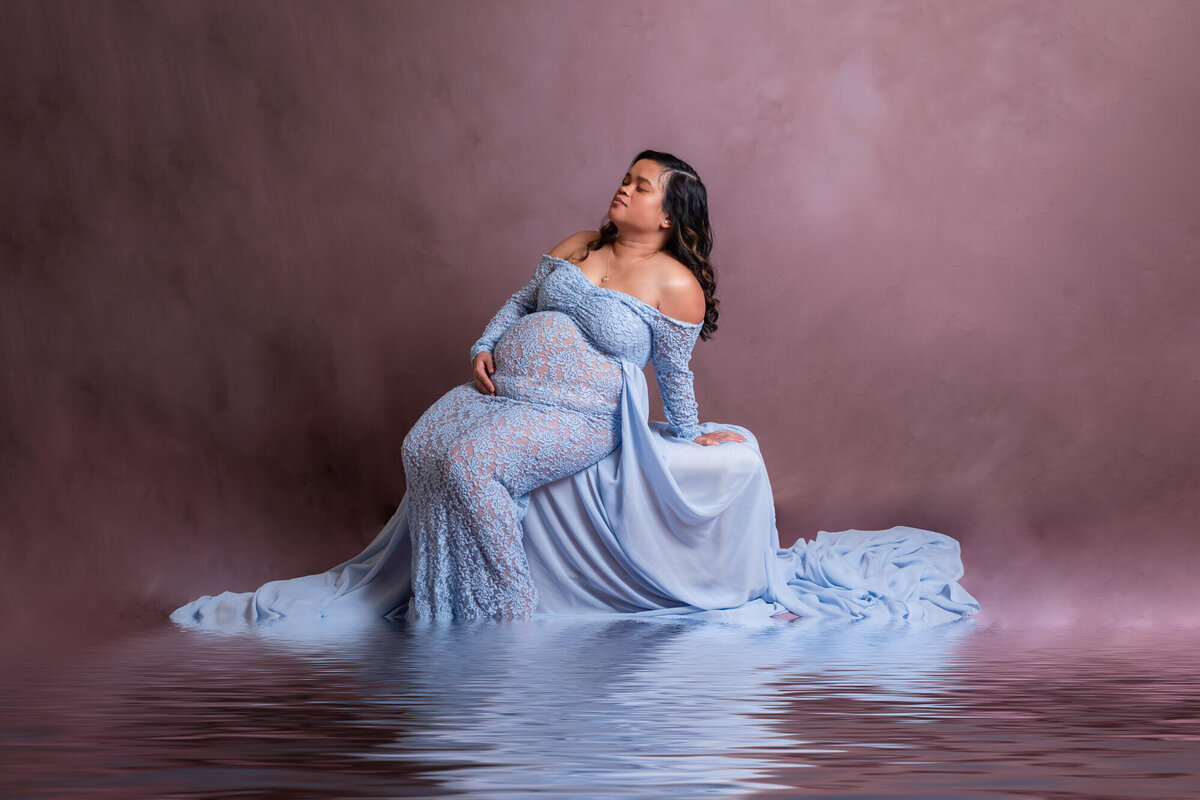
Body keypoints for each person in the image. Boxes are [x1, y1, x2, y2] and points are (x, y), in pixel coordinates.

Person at [171, 150, 980, 628]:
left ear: (669, 216)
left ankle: (505, 615)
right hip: (506, 390)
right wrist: (487, 343)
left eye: (641, 185)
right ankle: (444, 604)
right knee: (424, 445)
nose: (623, 188)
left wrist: (687, 434)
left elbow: (672, 373)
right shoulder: (575, 243)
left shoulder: (674, 285)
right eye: (625, 177)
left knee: (474, 467)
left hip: (579, 416)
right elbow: (519, 302)